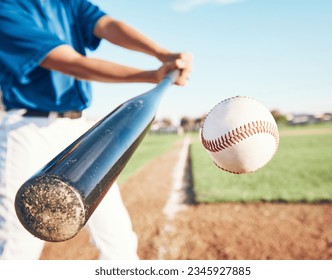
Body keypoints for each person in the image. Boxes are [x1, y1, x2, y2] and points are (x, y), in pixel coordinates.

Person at [0, 0, 192, 260]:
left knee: (117, 237)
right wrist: (152, 75)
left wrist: (162, 54)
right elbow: (71, 63)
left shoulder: (66, 3)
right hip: (28, 130)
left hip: (81, 131)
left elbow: (109, 26)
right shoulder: (6, 9)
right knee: (18, 241)